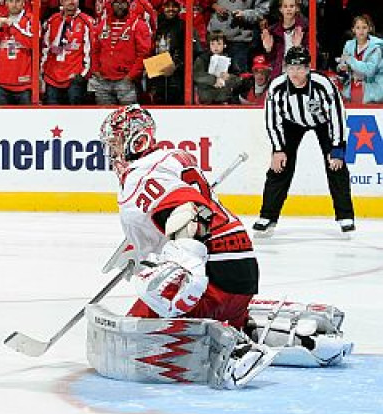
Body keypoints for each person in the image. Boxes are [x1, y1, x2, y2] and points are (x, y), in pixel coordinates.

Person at [93, 104, 275, 389]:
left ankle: (234, 349)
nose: (112, 152)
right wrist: (140, 251)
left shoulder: (139, 176)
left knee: (136, 344)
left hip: (214, 280)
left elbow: (190, 211)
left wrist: (184, 270)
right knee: (214, 311)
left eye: (115, 143)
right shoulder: (173, 158)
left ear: (136, 140)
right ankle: (244, 327)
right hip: (242, 272)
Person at [253, 46, 355, 236]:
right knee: (279, 167)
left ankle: (345, 217)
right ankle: (268, 216)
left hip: (323, 123)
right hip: (291, 123)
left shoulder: (322, 84)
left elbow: (337, 115)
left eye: (300, 68)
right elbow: (272, 120)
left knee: (336, 166)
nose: (295, 73)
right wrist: (278, 149)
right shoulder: (277, 86)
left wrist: (337, 148)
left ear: (308, 68)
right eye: (291, 68)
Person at [90, 0, 151, 105]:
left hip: (126, 81)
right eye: (116, 3)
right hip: (103, 80)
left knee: (129, 116)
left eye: (123, 2)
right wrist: (95, 69)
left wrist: (131, 76)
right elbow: (95, 49)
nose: (120, 6)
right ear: (111, 5)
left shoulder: (138, 24)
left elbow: (144, 53)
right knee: (105, 117)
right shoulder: (103, 24)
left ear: (128, 4)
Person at [40, 0, 95, 105]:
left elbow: (91, 51)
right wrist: (42, 70)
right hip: (52, 77)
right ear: (61, 1)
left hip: (74, 78)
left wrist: (83, 75)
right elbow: (45, 48)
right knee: (52, 117)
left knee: (74, 117)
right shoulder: (52, 20)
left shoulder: (87, 21)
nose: (71, 2)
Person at [0, 0, 34, 105]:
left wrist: (12, 27)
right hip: (1, 84)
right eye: (11, 1)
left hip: (24, 85)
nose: (14, 4)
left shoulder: (31, 19)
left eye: (17, 1)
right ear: (6, 3)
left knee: (26, 121)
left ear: (23, 3)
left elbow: (32, 43)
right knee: (1, 121)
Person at [337, 14, 383, 104]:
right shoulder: (348, 45)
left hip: (372, 96)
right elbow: (342, 65)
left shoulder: (376, 48)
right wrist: (342, 68)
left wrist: (350, 60)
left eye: (364, 27)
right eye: (358, 28)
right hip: (351, 93)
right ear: (353, 30)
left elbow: (370, 70)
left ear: (369, 29)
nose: (361, 31)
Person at [193, 30, 240, 104]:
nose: (215, 47)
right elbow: (197, 75)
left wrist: (229, 77)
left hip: (224, 99)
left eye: (219, 44)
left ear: (224, 45)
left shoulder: (230, 59)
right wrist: (213, 80)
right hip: (206, 99)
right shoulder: (202, 59)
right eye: (212, 44)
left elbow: (238, 79)